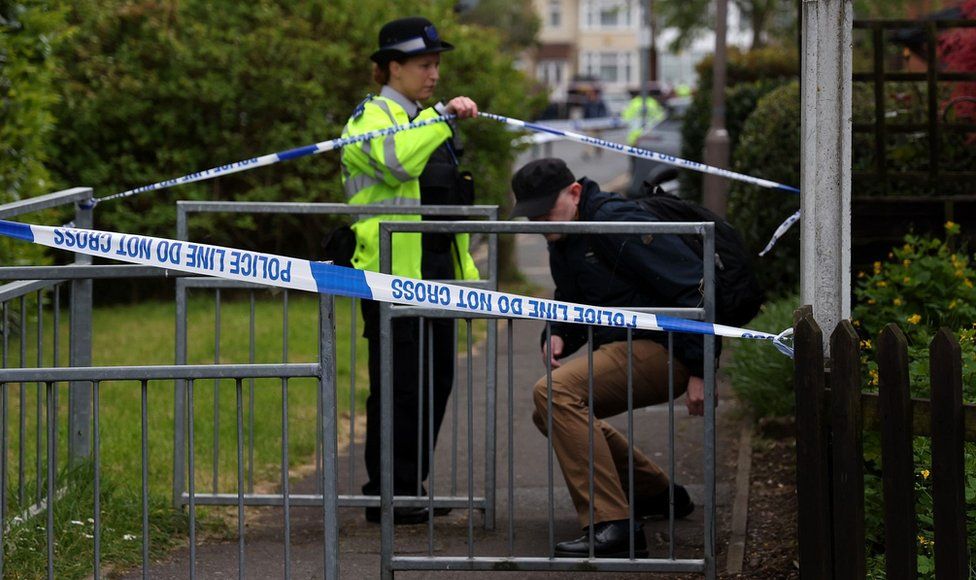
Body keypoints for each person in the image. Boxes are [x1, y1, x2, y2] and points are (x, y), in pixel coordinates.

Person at [510, 158, 718, 558]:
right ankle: (656, 493)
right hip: (625, 347)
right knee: (549, 409)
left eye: (545, 212)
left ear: (574, 193)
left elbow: (694, 283)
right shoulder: (567, 233)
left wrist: (701, 368)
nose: (540, 224)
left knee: (554, 394)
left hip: (666, 348)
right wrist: (556, 333)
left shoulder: (613, 221)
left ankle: (613, 524)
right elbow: (573, 299)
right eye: (532, 215)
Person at [340, 16, 481, 525]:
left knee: (435, 380)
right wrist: (441, 118)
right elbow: (395, 162)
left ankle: (409, 485)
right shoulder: (371, 118)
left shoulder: (425, 119)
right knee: (400, 383)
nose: (434, 74)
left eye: (438, 64)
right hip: (390, 272)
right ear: (391, 67)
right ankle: (389, 491)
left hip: (435, 269)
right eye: (424, 64)